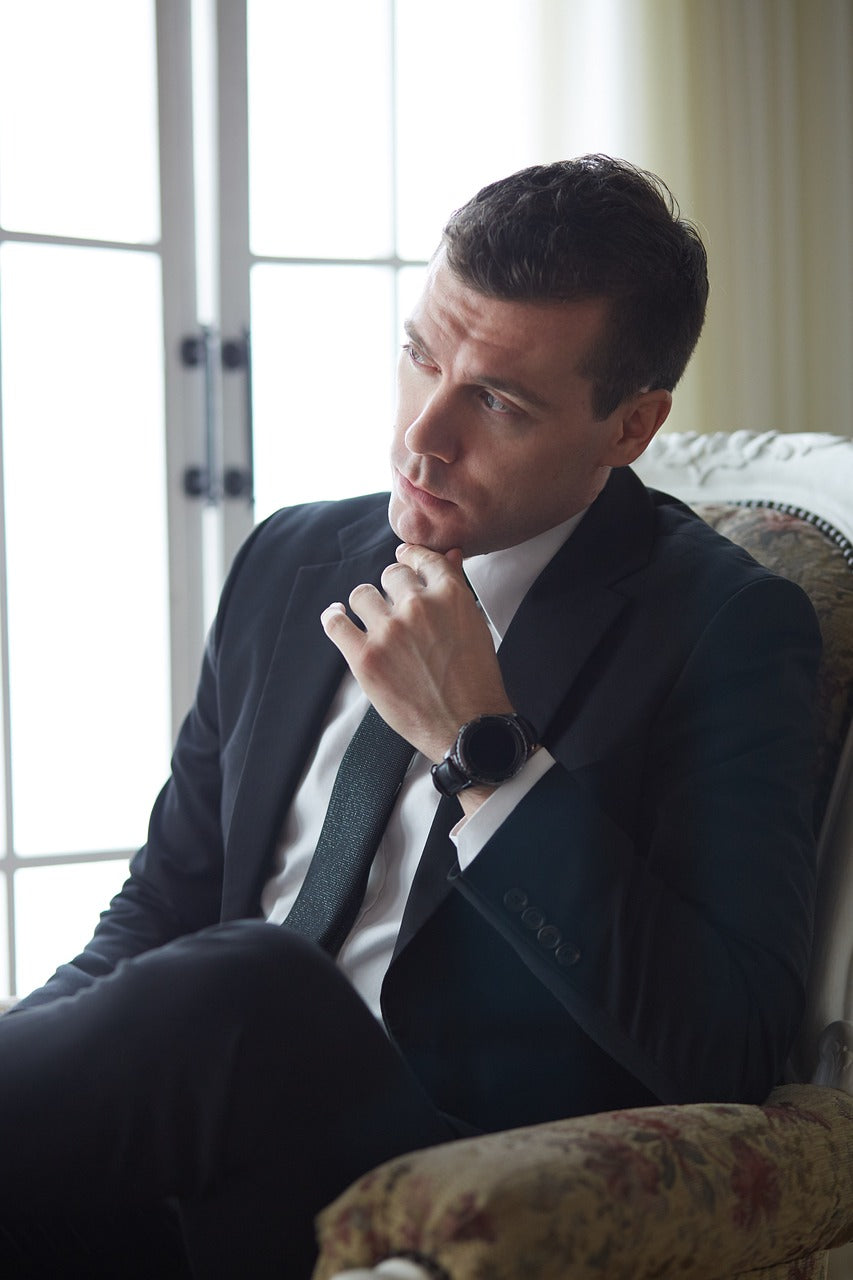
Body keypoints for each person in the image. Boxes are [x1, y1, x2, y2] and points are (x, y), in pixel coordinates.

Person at [0, 156, 820, 1278]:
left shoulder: (725, 626)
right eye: (421, 356)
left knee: (254, 984)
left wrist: (482, 747)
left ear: (629, 428)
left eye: (497, 400)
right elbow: (159, 909)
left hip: (445, 1181)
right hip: (185, 1173)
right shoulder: (289, 557)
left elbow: (728, 1045)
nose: (420, 437)